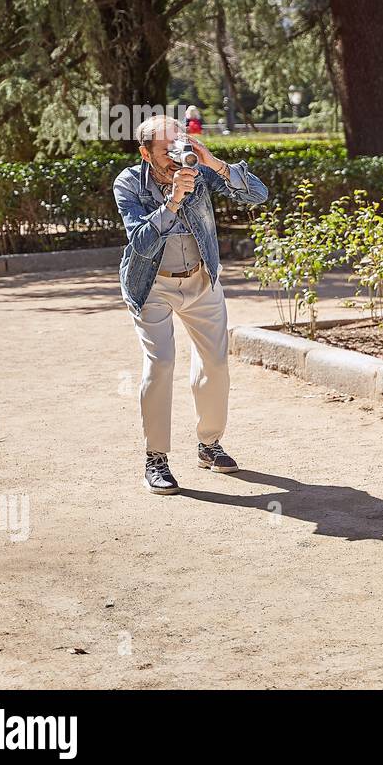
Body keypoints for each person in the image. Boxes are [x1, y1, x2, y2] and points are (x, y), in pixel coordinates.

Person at [112, 114, 268, 494]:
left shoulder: (199, 169)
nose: (177, 154)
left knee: (215, 363)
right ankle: (156, 459)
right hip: (151, 284)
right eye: (167, 149)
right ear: (145, 153)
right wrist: (172, 201)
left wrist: (213, 162)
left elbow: (258, 194)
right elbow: (142, 242)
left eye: (180, 143)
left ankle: (209, 444)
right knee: (161, 363)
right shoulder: (129, 182)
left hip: (201, 280)